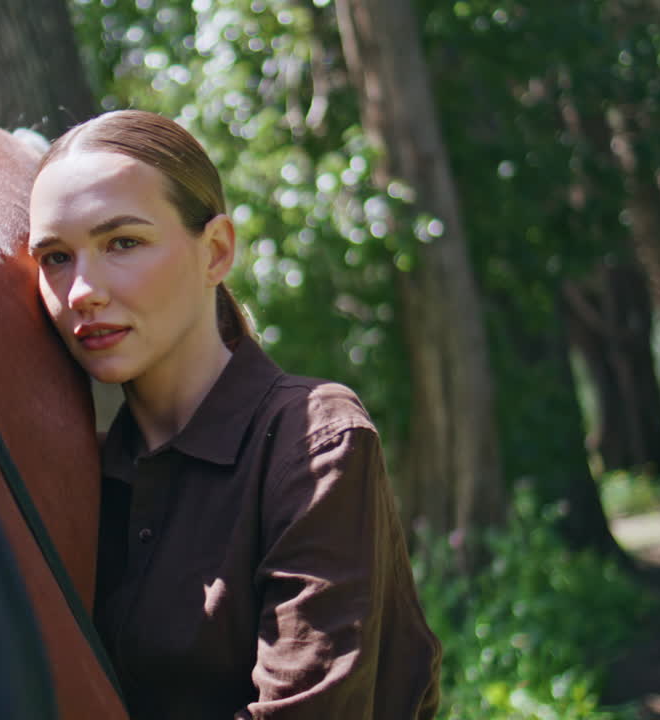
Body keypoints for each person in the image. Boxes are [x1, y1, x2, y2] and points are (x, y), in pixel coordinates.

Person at [28, 109, 442, 720]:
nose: (81, 289)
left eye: (123, 242)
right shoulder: (79, 477)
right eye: (56, 257)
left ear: (216, 251)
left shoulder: (315, 441)